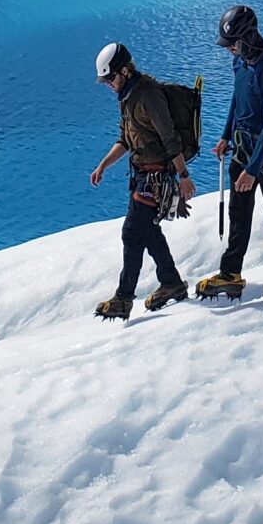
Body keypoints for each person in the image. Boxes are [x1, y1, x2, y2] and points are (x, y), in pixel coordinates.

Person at [196, 4, 263, 303]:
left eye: (233, 43)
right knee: (238, 215)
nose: (229, 49)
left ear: (249, 35)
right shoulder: (240, 62)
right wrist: (225, 135)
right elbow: (237, 98)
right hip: (242, 150)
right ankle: (231, 274)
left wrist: (253, 168)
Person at [88, 40, 197, 319]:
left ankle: (124, 298)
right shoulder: (127, 97)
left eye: (110, 78)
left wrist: (184, 177)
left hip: (155, 177)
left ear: (124, 71)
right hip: (141, 176)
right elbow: (126, 139)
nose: (108, 84)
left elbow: (170, 139)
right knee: (148, 232)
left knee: (132, 233)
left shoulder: (148, 96)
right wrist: (103, 165)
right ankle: (171, 282)